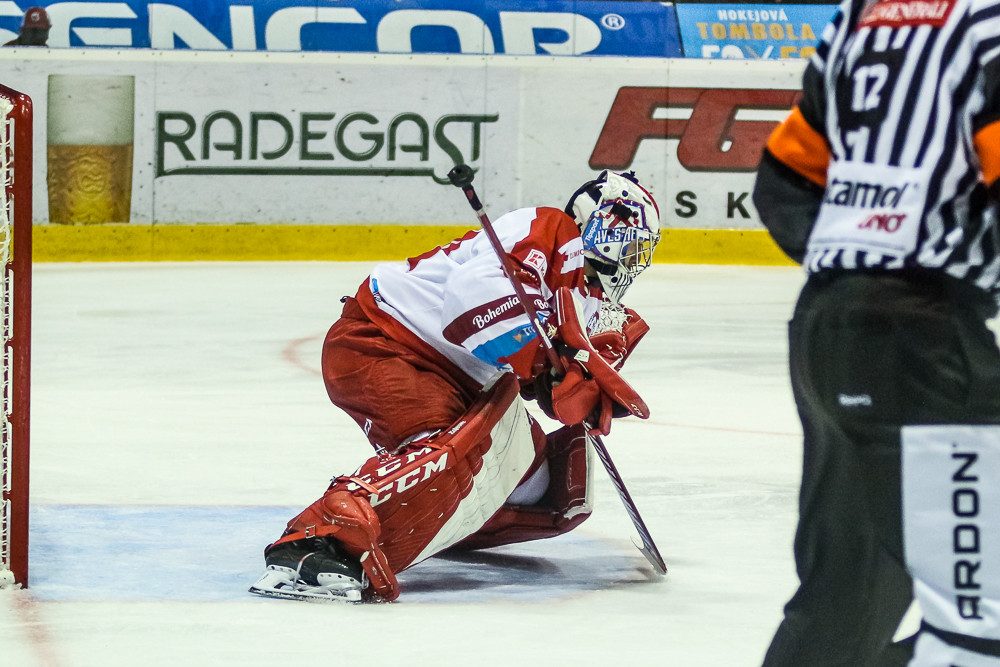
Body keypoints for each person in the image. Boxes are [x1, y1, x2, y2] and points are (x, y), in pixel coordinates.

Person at [249, 170, 661, 603]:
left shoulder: (584, 296)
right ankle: (317, 543)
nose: (637, 260)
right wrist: (547, 360)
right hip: (389, 343)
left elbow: (542, 379)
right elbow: (470, 303)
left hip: (456, 376)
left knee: (545, 490)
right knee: (471, 453)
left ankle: (440, 518)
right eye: (634, 245)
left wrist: (572, 385)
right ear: (604, 225)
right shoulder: (549, 229)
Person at [753, 0, 1000, 663]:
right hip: (928, 340)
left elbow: (782, 178)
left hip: (829, 327)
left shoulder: (859, 17)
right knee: (980, 616)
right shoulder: (990, 27)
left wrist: (860, 263)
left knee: (846, 598)